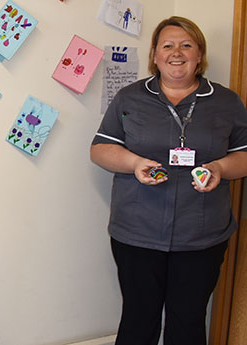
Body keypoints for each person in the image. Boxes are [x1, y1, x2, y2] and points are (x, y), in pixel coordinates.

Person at [90, 16, 247, 345]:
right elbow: (100, 150)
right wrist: (133, 163)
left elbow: (244, 156)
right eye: (168, 45)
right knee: (138, 320)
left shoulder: (227, 102)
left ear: (199, 55)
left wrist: (219, 168)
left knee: (188, 323)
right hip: (137, 233)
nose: (177, 52)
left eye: (186, 45)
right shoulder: (129, 98)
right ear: (155, 55)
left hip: (201, 236)